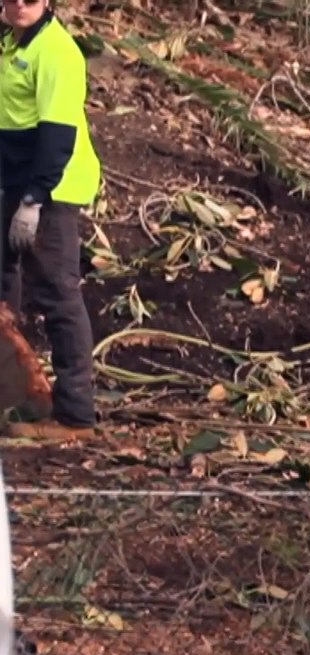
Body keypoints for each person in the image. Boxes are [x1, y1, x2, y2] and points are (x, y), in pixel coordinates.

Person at [0, 0, 101, 440]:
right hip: (14, 181)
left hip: (51, 190)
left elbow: (58, 135)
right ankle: (18, 395)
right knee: (3, 288)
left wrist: (34, 199)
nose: (20, 3)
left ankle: (76, 416)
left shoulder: (57, 52)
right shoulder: (8, 44)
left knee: (57, 293)